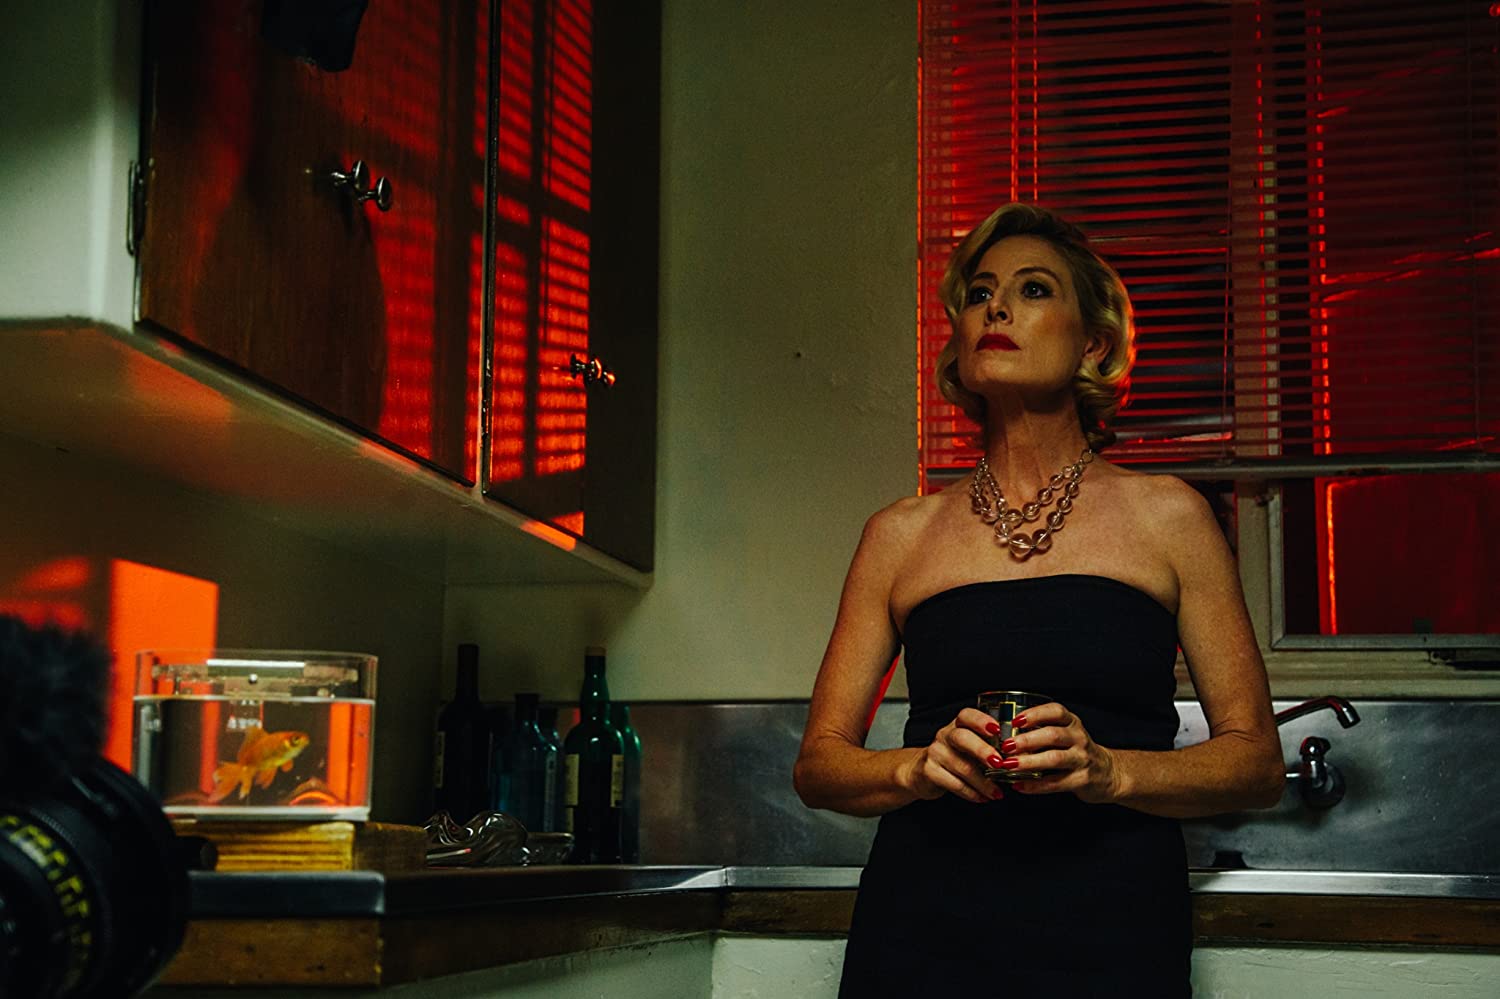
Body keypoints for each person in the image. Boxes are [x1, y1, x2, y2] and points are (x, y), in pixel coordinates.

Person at [793, 203, 1284, 996]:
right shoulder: (898, 534)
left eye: (1032, 289)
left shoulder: (1170, 516)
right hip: (920, 930)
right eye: (980, 293)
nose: (996, 308)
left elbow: (1256, 762)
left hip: (1113, 929)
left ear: (1093, 342)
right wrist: (917, 767)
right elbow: (820, 764)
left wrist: (1110, 771)